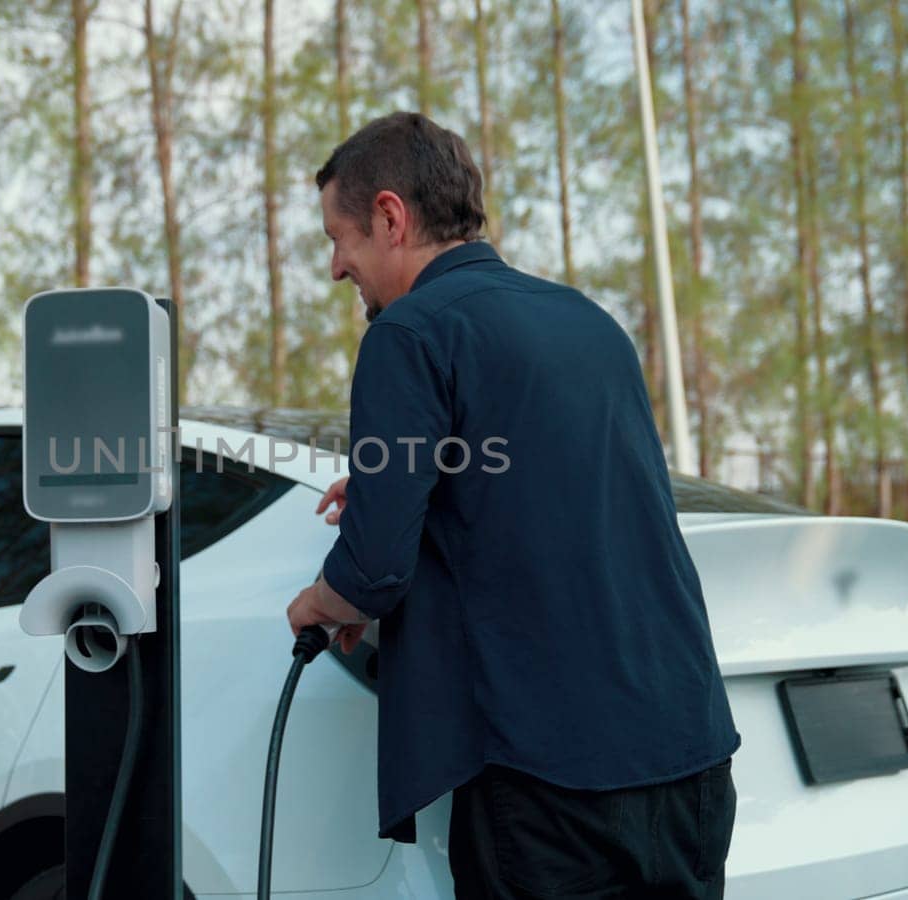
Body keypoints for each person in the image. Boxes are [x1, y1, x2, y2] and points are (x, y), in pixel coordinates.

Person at [286, 112, 740, 898]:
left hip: (550, 783)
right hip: (689, 755)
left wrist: (318, 603)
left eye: (340, 238)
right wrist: (411, 479)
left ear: (391, 217)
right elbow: (567, 484)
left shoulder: (408, 334)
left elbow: (371, 572)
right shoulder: (589, 323)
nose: (336, 268)